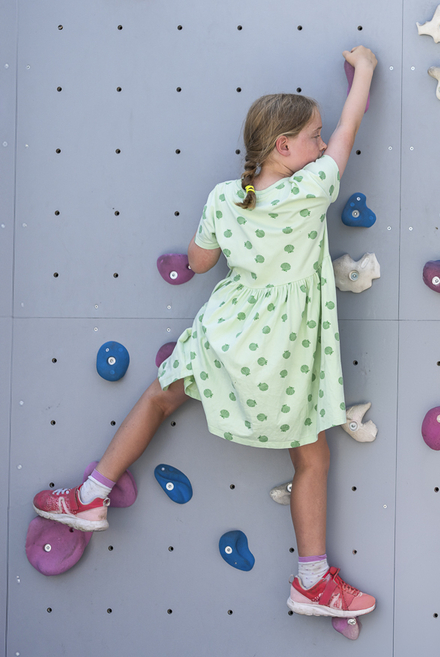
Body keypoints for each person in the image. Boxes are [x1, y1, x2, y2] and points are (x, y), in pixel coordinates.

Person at [33, 46, 380, 621]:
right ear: (284, 148)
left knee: (157, 398)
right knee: (311, 461)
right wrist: (364, 70)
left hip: (225, 333)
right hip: (285, 351)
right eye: (312, 137)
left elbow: (198, 263)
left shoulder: (225, 197)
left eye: (319, 137)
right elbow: (351, 125)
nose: (322, 144)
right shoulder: (313, 188)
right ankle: (311, 580)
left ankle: (90, 496)